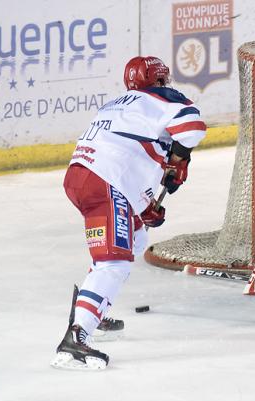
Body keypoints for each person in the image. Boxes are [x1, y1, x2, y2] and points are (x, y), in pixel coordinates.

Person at [51, 56, 206, 370]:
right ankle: (76, 338)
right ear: (160, 80)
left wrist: (144, 206)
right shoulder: (163, 98)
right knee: (115, 261)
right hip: (106, 182)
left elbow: (127, 157)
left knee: (135, 238)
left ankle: (94, 308)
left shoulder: (115, 105)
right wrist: (179, 159)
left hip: (82, 178)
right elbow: (193, 127)